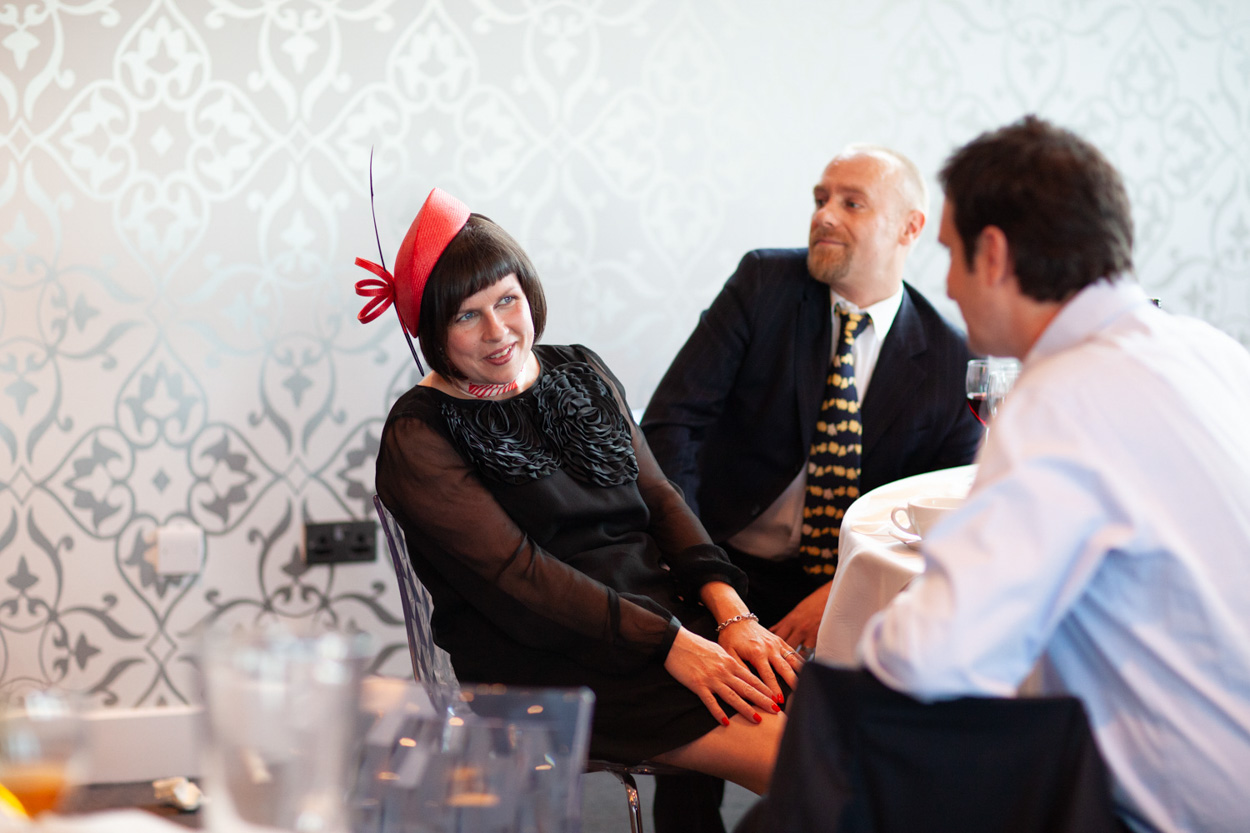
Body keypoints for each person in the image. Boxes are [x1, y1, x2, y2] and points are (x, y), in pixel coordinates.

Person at [858, 115, 1250, 833]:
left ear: (995, 253)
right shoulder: (1213, 351)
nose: (945, 284)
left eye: (949, 253)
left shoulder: (1060, 397)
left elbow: (932, 656)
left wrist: (868, 639)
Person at [360, 187, 798, 794]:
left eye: (507, 300)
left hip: (663, 620)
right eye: (466, 315)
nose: (498, 331)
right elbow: (523, 577)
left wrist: (732, 615)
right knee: (804, 763)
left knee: (836, 723)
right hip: (544, 658)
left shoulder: (580, 369)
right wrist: (671, 644)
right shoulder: (420, 433)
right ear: (433, 329)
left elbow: (662, 499)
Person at [641, 145, 981, 832]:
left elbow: (957, 508)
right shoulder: (765, 286)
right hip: (721, 561)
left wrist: (839, 590)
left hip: (846, 582)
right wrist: (703, 571)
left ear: (910, 228)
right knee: (704, 709)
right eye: (821, 197)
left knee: (864, 743)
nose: (824, 215)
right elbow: (670, 427)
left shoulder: (949, 359)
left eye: (852, 202)